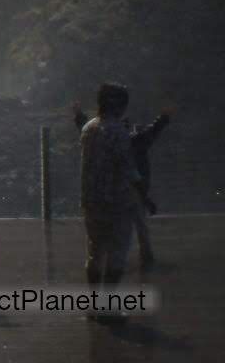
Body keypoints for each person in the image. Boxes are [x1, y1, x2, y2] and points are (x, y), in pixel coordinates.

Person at [73, 101, 170, 268]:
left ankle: (104, 261)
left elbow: (86, 128)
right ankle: (144, 257)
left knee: (110, 228)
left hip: (115, 191)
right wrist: (164, 117)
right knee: (140, 227)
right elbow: (153, 131)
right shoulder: (137, 142)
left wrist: (79, 116)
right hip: (131, 189)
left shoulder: (108, 140)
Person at [79, 82, 143, 297]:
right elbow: (127, 169)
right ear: (119, 105)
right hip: (117, 201)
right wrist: (144, 196)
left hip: (91, 199)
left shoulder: (88, 128)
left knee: (95, 252)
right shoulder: (119, 131)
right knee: (116, 254)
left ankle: (94, 303)